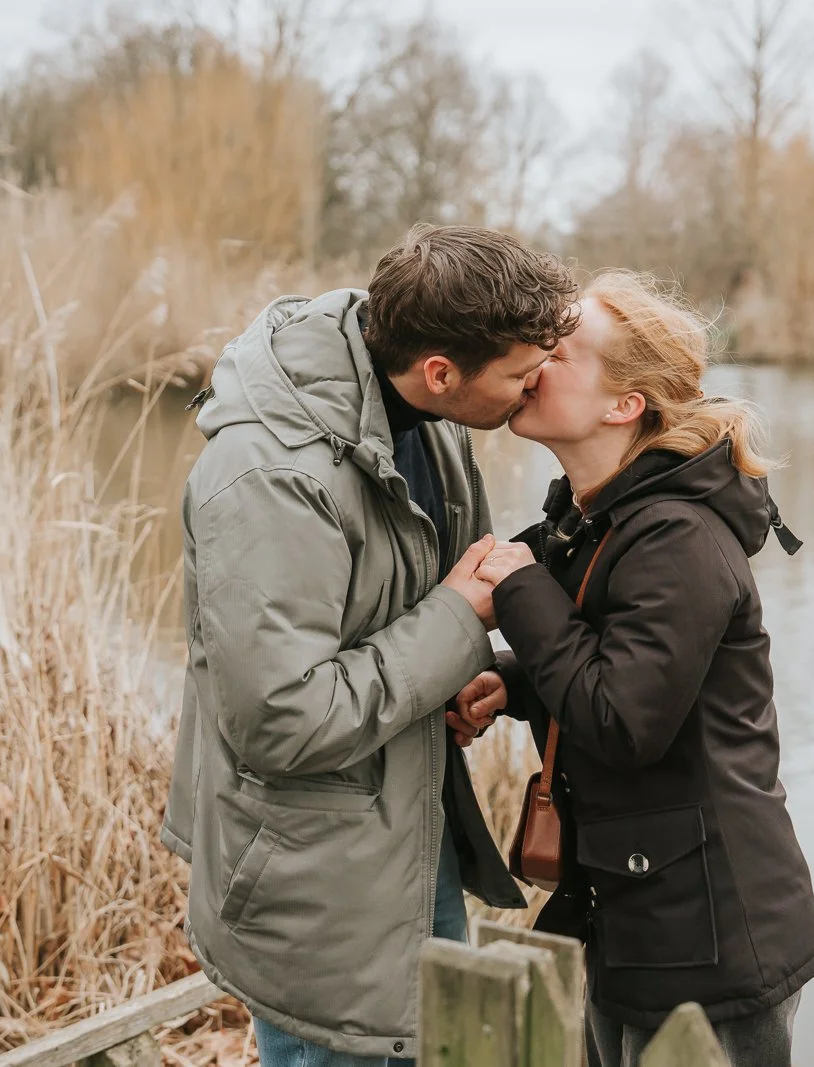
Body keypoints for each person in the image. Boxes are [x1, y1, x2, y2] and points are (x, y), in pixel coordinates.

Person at [160, 224, 579, 1065]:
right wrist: (459, 624)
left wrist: (461, 675)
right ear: (441, 371)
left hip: (406, 832)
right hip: (314, 880)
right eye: (521, 375)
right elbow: (281, 720)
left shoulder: (433, 412)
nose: (536, 388)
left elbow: (432, 589)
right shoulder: (270, 478)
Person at [457, 270, 814, 1067]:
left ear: (624, 405)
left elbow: (624, 720)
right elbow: (608, 662)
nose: (533, 361)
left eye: (560, 351)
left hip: (713, 937)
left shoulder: (677, 538)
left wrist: (519, 585)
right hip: (636, 914)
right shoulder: (598, 517)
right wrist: (512, 682)